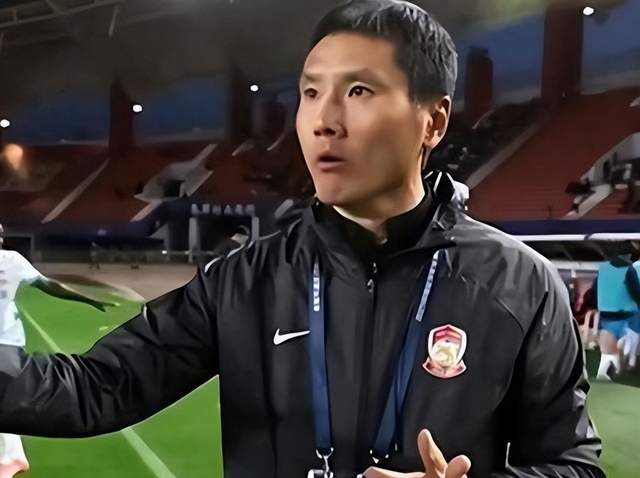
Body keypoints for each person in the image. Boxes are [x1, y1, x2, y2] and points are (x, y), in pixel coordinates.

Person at [0, 2, 603, 477]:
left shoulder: (520, 285)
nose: (323, 120)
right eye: (311, 92)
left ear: (434, 121)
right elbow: (94, 388)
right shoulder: (242, 281)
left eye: (359, 91)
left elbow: (573, 464)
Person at [0, 224, 116, 478]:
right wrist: (87, 298)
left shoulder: (13, 261)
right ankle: (12, 456)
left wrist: (87, 298)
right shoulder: (12, 260)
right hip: (10, 347)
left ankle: (12, 457)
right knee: (6, 398)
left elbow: (49, 284)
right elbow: (49, 285)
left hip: (6, 347)